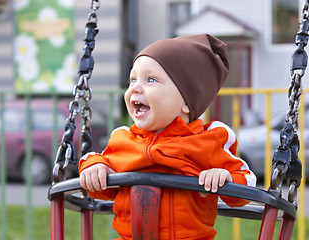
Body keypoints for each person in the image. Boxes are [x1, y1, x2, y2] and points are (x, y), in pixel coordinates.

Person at [79, 34, 257, 240]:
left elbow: (246, 183)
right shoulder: (124, 139)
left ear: (187, 102)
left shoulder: (208, 141)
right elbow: (101, 187)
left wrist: (224, 177)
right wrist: (94, 167)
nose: (135, 88)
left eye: (151, 80)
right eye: (133, 79)